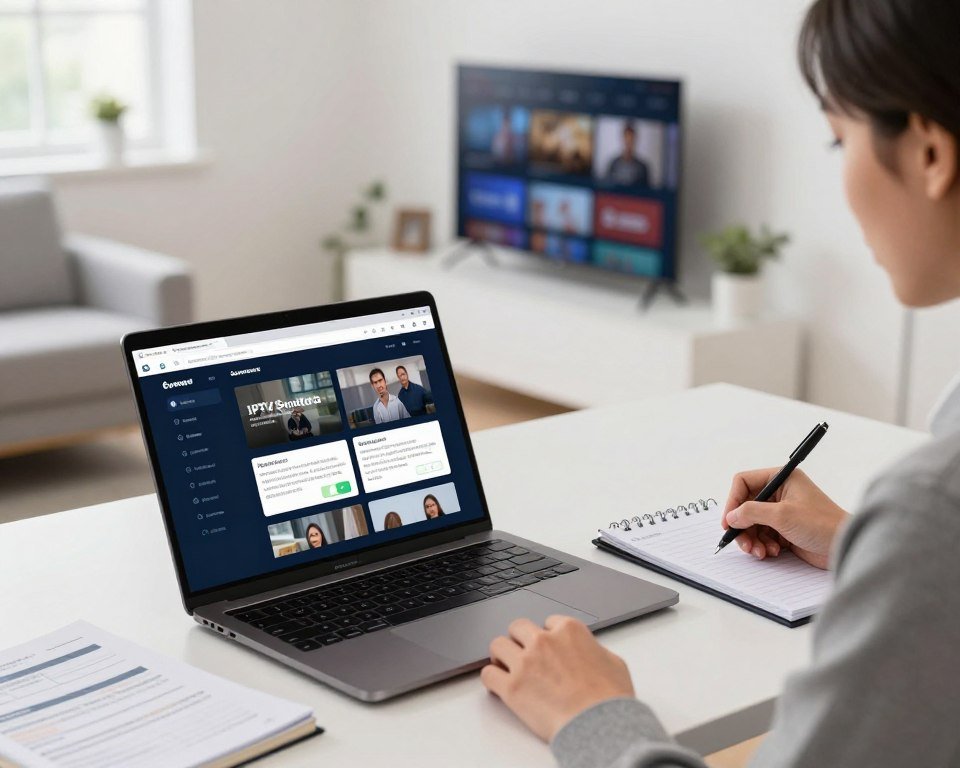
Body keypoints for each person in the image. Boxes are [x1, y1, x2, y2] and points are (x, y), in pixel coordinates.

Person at [481, 2, 960, 766]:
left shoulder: (935, 503)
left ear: (931, 153)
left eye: (841, 140)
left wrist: (593, 713)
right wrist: (863, 546)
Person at [604, 121, 651, 188]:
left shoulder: (642, 167)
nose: (628, 144)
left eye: (631, 140)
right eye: (627, 140)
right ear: (623, 139)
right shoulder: (613, 164)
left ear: (635, 141)